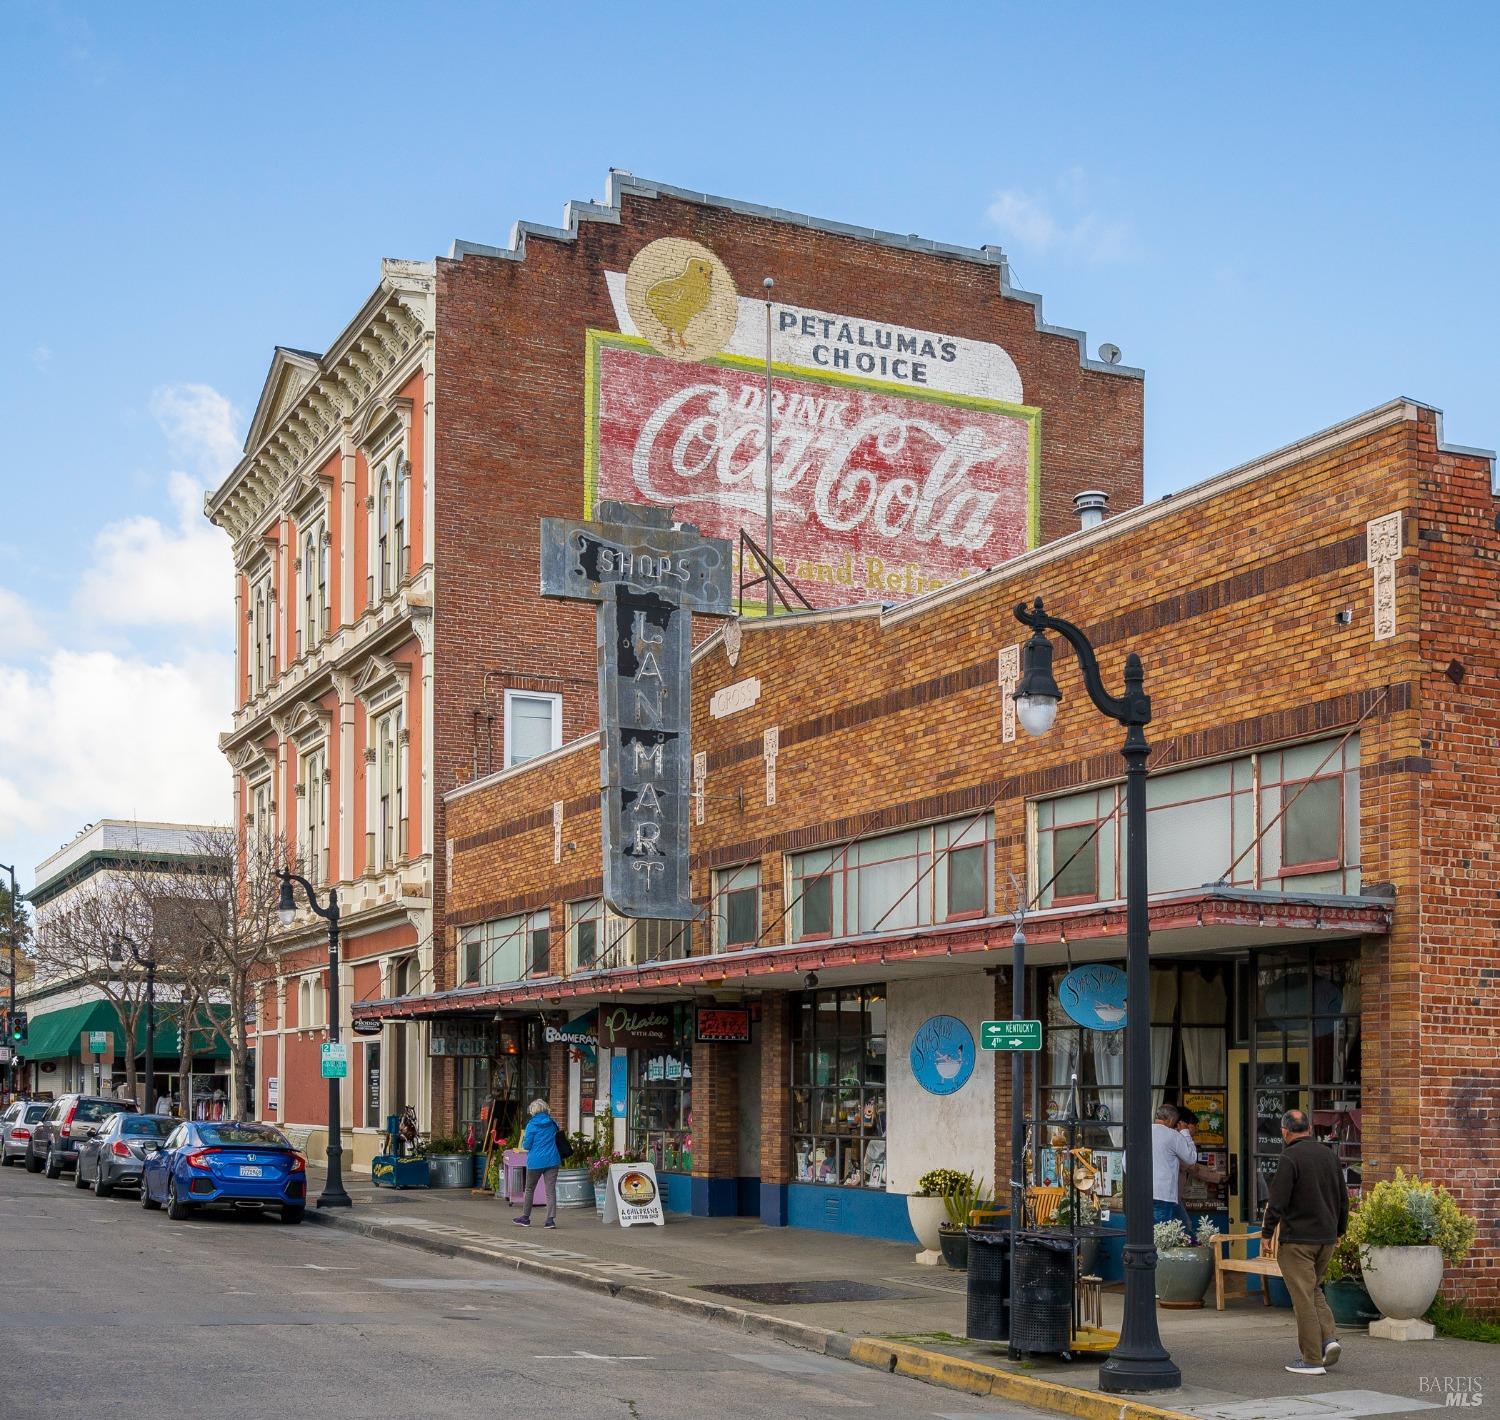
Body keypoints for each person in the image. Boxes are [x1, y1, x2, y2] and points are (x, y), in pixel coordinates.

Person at [1262, 1108, 1349, 1376]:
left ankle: (1311, 1359)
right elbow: (1342, 1197)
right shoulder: (1329, 1156)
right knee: (1313, 1291)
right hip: (1326, 1238)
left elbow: (1277, 1200)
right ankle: (1328, 1340)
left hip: (1298, 1240)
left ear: (1285, 1132)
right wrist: (1339, 1230)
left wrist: (1267, 1234)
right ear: (1309, 1129)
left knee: (1302, 1298)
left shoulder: (1290, 1157)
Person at [513, 1098, 562, 1229]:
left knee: (529, 1189)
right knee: (550, 1190)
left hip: (535, 1161)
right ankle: (550, 1220)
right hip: (552, 1160)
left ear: (533, 1111)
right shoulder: (552, 1123)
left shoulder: (531, 1125)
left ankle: (525, 1218)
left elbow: (527, 1145)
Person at [1151, 1103, 1198, 1237]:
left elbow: (1125, 1163)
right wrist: (1185, 1132)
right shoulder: (1172, 1136)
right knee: (1162, 1237)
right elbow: (1191, 1158)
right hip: (1164, 1195)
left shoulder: (1139, 1132)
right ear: (1171, 1120)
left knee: (1145, 1234)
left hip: (1140, 1195)